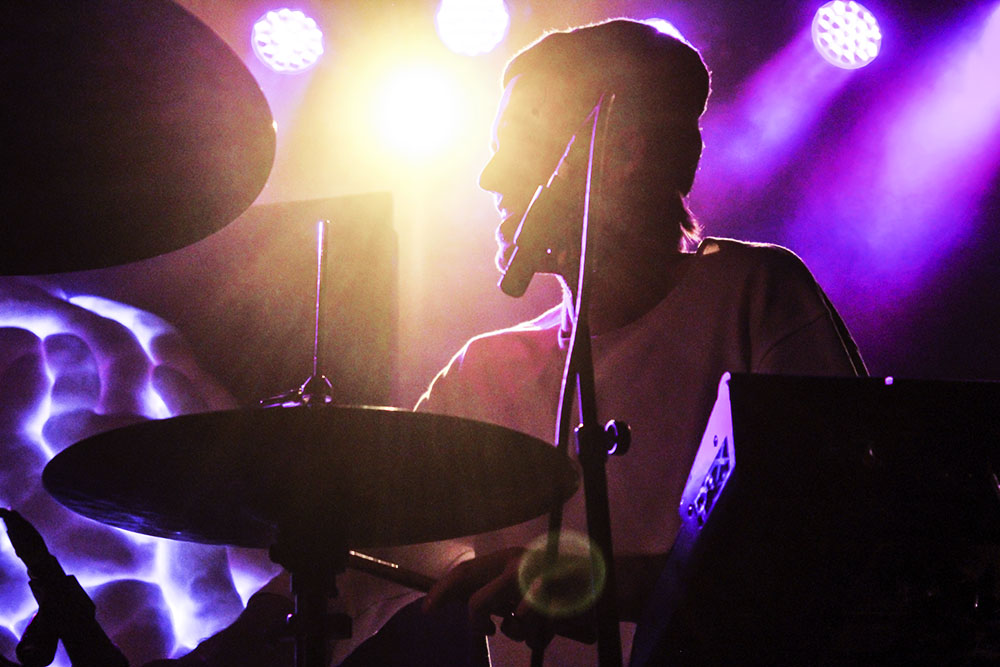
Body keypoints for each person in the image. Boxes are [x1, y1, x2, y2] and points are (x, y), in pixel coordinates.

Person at [416, 18, 864, 666]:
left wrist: (599, 583)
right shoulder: (480, 373)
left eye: (516, 143)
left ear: (623, 154)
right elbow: (349, 560)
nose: (489, 177)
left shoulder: (754, 292)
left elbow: (833, 541)